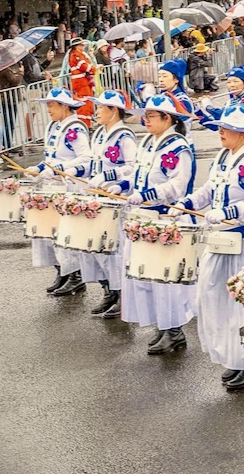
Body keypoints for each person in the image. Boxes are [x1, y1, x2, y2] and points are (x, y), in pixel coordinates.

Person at [170, 100, 244, 391]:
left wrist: (229, 213)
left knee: (243, 305)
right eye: (222, 126)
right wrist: (187, 203)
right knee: (213, 296)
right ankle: (237, 358)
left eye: (229, 128)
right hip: (220, 240)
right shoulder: (224, 156)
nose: (221, 131)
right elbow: (209, 190)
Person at [119, 94, 197, 354]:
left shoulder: (178, 147)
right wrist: (121, 185)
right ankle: (163, 327)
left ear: (168, 118)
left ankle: (174, 331)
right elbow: (137, 175)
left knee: (165, 280)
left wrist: (147, 195)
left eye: (151, 116)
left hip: (165, 219)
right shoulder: (149, 142)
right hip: (145, 217)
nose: (145, 120)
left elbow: (177, 185)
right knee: (146, 276)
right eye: (146, 115)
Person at [25, 87, 92, 295]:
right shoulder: (54, 126)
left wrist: (61, 170)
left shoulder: (75, 128)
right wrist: (39, 168)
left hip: (69, 186)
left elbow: (86, 159)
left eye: (52, 105)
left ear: (64, 106)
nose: (48, 110)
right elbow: (51, 157)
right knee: (48, 232)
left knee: (66, 232)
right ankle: (62, 270)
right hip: (52, 186)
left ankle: (76, 275)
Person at [82, 90, 137, 317]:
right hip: (98, 198)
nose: (96, 113)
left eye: (101, 108)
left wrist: (109, 177)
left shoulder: (125, 136)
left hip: (115, 200)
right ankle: (109, 292)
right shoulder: (100, 134)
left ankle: (122, 295)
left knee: (115, 249)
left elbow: (133, 167)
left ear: (114, 111)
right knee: (98, 247)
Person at [67, 38, 95, 128]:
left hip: (85, 82)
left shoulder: (80, 54)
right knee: (84, 104)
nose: (83, 46)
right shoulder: (76, 55)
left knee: (88, 103)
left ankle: (88, 123)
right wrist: (94, 68)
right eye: (81, 45)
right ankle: (84, 124)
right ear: (77, 46)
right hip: (81, 83)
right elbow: (85, 67)